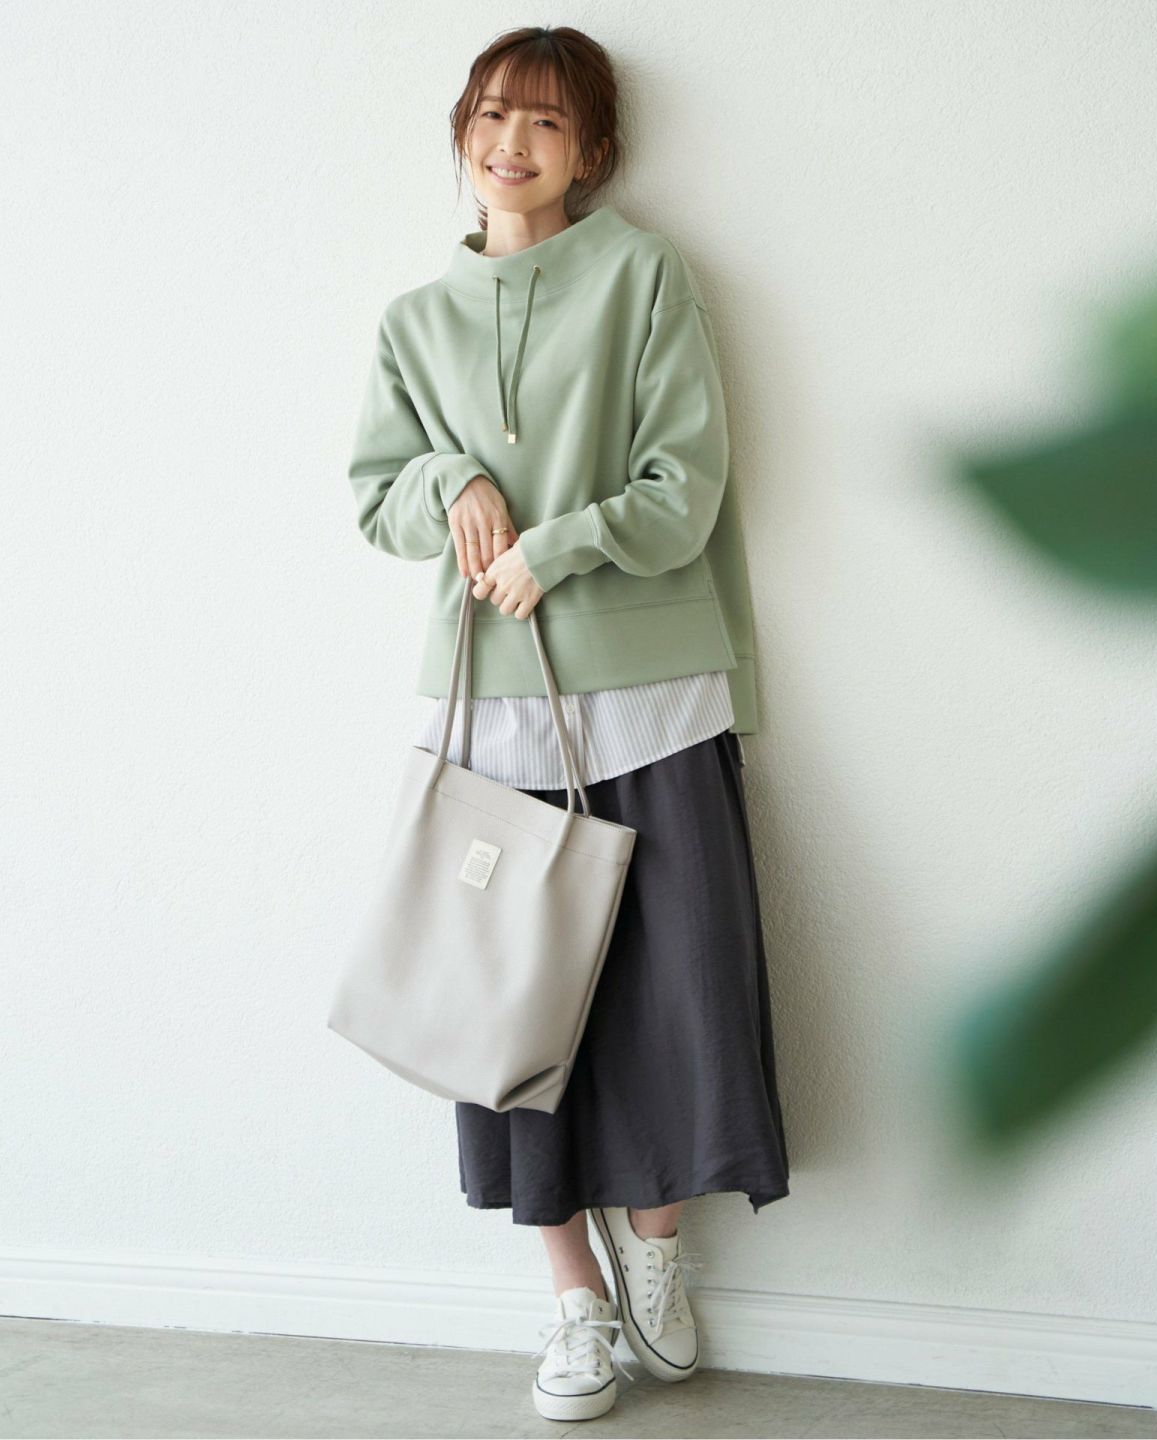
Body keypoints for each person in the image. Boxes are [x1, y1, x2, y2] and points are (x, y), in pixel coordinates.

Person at [345, 24, 791, 1424]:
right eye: (491, 115)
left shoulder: (645, 276)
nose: (511, 143)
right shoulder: (413, 322)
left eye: (544, 122)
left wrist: (559, 544)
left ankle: (657, 1248)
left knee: (681, 989)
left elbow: (685, 486)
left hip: (653, 692)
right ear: (461, 134)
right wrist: (451, 482)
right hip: (493, 711)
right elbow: (375, 499)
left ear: (591, 151)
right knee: (505, 1011)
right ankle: (572, 1300)